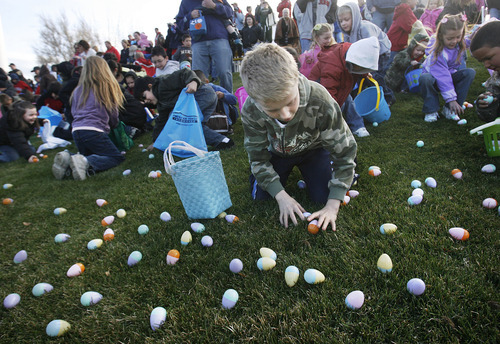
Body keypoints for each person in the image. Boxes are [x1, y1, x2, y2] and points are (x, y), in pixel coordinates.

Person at [240, 44, 357, 230]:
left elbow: (344, 151)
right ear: (256, 100)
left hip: (313, 150)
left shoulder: (320, 99)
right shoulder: (251, 109)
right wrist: (282, 196)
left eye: (290, 102)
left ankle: (341, 175)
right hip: (277, 153)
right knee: (262, 197)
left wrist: (333, 206)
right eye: (272, 109)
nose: (285, 114)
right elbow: (257, 157)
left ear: (296, 79)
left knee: (323, 197)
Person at [52, 56, 125, 180]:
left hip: (76, 131)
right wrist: (114, 125)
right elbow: (113, 113)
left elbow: (74, 112)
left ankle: (68, 157)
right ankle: (86, 162)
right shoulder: (105, 86)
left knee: (92, 154)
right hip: (94, 130)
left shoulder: (78, 90)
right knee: (116, 157)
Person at [134, 64, 235, 150]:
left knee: (181, 120)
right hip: (206, 98)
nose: (146, 101)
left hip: (202, 94)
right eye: (143, 101)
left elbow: (184, 73)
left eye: (144, 96)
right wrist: (156, 141)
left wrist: (193, 82)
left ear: (150, 86)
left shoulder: (163, 83)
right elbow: (161, 122)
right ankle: (223, 141)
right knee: (197, 126)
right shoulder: (161, 104)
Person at [309, 32, 376, 137]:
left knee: (347, 100)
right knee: (336, 104)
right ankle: (328, 128)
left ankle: (357, 126)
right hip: (319, 87)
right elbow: (329, 94)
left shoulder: (350, 52)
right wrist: (333, 111)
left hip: (339, 83)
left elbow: (359, 64)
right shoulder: (332, 66)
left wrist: (364, 72)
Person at [419, 14, 475, 122]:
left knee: (469, 73)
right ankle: (431, 110)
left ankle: (449, 110)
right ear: (441, 36)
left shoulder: (458, 43)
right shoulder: (438, 53)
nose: (454, 41)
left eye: (458, 37)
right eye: (450, 38)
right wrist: (451, 99)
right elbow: (442, 76)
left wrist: (475, 35)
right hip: (434, 79)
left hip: (449, 75)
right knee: (425, 78)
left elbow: (467, 41)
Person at [338, 2, 395, 105]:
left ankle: (387, 96)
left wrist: (368, 67)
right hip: (365, 55)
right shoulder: (347, 34)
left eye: (346, 20)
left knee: (374, 75)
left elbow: (373, 46)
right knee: (361, 75)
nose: (343, 24)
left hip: (380, 52)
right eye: (341, 21)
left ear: (354, 17)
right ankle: (363, 96)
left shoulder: (365, 27)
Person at [176, 0, 234, 93]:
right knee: (198, 76)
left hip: (219, 38)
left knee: (224, 72)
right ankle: (205, 103)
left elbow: (230, 12)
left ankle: (228, 101)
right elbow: (179, 24)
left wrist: (214, 6)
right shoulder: (186, 2)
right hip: (198, 42)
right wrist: (190, 16)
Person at [470, 20, 500, 122]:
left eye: (489, 57)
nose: (486, 65)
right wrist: (486, 106)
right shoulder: (496, 81)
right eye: (482, 61)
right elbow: (490, 117)